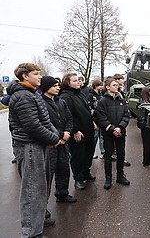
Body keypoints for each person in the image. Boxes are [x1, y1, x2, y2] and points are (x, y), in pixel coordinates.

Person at [7, 63, 61, 237]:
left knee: (39, 188)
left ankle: (37, 223)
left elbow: (45, 121)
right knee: (32, 191)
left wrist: (54, 136)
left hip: (37, 144)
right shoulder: (23, 96)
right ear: (25, 76)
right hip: (29, 146)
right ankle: (31, 232)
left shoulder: (31, 93)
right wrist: (54, 139)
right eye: (36, 74)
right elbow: (32, 125)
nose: (40, 77)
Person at [40, 76, 77, 208]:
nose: (58, 88)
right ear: (46, 87)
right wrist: (60, 136)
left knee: (64, 169)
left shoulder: (61, 102)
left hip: (63, 142)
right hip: (51, 143)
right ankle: (42, 207)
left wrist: (67, 133)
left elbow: (69, 118)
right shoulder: (41, 103)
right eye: (54, 86)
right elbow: (45, 123)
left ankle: (62, 194)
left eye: (58, 86)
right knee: (47, 175)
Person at [60, 73, 96, 190]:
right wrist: (75, 131)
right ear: (67, 83)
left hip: (88, 129)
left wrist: (92, 122)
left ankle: (86, 172)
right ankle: (78, 179)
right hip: (78, 132)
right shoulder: (66, 96)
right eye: (75, 81)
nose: (78, 82)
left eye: (79, 80)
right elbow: (67, 116)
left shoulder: (80, 93)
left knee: (88, 153)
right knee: (78, 156)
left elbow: (86, 110)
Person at [95, 78, 131, 189]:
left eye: (117, 85)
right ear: (107, 87)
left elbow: (126, 115)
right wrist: (112, 129)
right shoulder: (102, 101)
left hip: (120, 133)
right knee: (108, 156)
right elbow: (100, 118)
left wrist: (120, 127)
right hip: (108, 134)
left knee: (121, 155)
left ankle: (120, 176)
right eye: (114, 85)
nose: (117, 87)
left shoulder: (122, 99)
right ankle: (108, 178)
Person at [113, 73, 131, 167]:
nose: (123, 80)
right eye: (121, 79)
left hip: (121, 123)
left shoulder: (120, 92)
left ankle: (120, 159)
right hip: (116, 123)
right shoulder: (117, 94)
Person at [137, 87, 150, 167]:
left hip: (148, 126)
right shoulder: (144, 103)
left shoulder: (146, 101)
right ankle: (148, 162)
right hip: (146, 126)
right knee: (148, 145)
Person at [88, 79, 105, 159]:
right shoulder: (90, 95)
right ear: (95, 86)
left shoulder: (101, 95)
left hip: (101, 119)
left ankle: (103, 152)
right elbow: (89, 107)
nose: (101, 87)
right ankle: (91, 152)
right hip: (94, 119)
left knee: (102, 136)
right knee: (94, 137)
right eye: (100, 85)